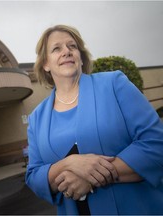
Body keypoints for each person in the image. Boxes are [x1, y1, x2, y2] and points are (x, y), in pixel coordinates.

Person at [25, 24, 163, 215]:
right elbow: (33, 175)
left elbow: (155, 143)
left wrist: (90, 178)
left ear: (80, 57)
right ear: (45, 64)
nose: (66, 51)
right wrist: (68, 164)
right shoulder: (36, 119)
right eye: (57, 48)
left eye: (72, 46)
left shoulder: (114, 84)